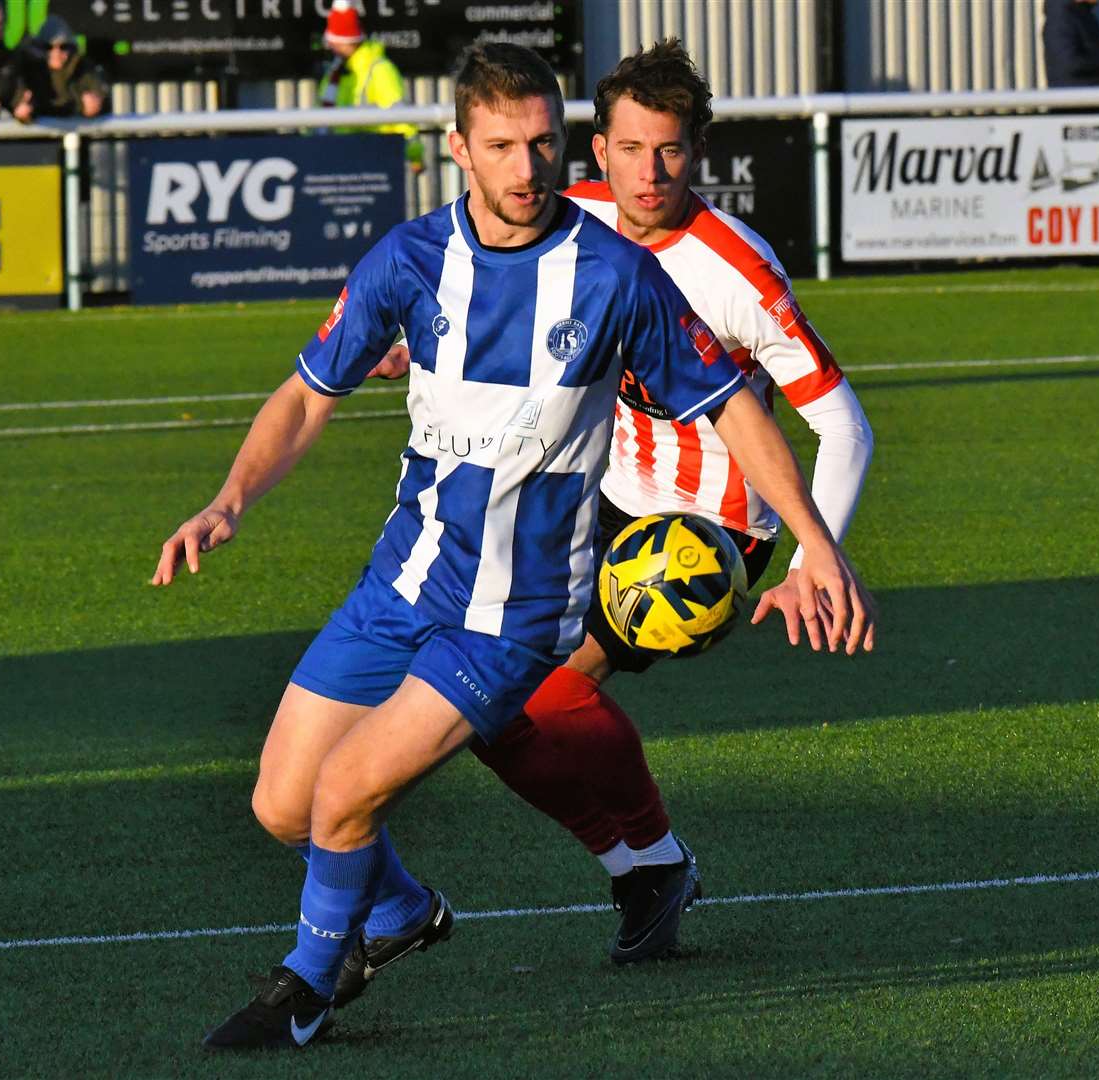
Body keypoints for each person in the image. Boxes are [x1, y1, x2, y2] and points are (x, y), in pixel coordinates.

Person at [153, 42, 873, 1052]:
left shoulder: (616, 275)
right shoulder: (408, 261)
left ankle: (306, 989)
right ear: (460, 150)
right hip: (401, 579)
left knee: (348, 790)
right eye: (503, 146)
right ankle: (401, 914)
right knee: (283, 805)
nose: (528, 168)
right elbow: (307, 398)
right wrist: (229, 499)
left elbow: (737, 411)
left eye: (541, 142)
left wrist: (814, 547)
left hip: (517, 607)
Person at [373, 37, 875, 968]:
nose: (652, 173)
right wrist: (421, 345)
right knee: (481, 698)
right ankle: (644, 863)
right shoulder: (574, 219)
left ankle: (649, 858)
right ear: (597, 150)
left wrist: (815, 561)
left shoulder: (737, 269)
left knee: (531, 685)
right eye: (632, 150)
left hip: (706, 529)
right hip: (596, 494)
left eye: (672, 151)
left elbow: (844, 425)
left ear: (698, 152)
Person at [318, 0, 424, 173]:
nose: (330, 46)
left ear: (344, 41)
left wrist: (415, 156)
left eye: (333, 41)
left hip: (376, 162)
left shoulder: (379, 69)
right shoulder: (335, 73)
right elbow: (319, 118)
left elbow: (401, 116)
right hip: (337, 162)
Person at [19, 14, 107, 119]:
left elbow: (103, 97)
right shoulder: (27, 70)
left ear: (71, 47)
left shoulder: (84, 68)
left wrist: (96, 105)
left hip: (79, 133)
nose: (56, 53)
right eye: (49, 47)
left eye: (63, 46)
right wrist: (23, 110)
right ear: (39, 47)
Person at [1042, 0, 1099, 88]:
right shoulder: (1061, 18)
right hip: (1076, 98)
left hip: (1091, 95)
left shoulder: (1082, 14)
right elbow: (1070, 63)